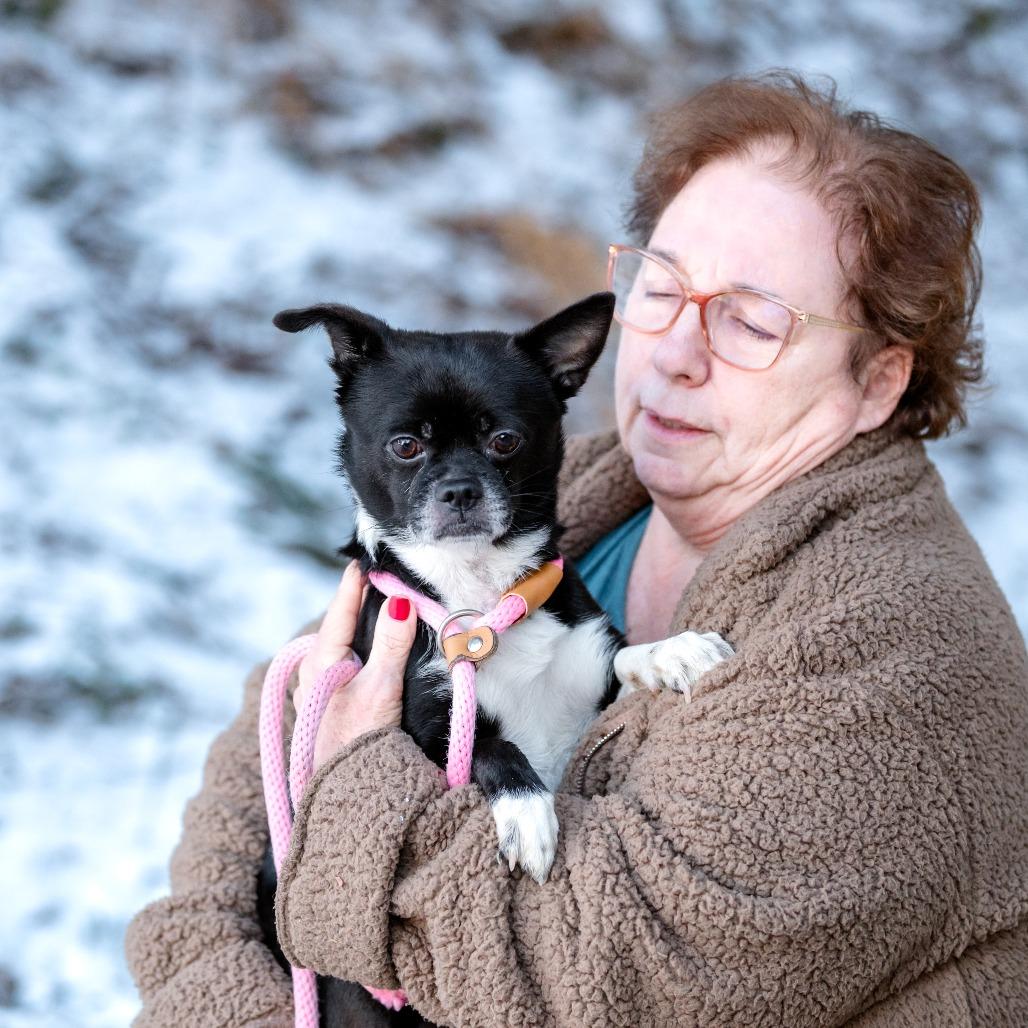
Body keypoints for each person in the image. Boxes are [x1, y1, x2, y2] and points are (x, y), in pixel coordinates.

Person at [125, 70, 1028, 1026]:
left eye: (752, 320)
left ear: (879, 381)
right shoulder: (557, 504)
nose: (676, 349)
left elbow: (605, 973)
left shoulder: (904, 647)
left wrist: (353, 793)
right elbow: (243, 809)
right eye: (663, 285)